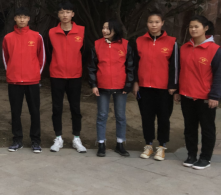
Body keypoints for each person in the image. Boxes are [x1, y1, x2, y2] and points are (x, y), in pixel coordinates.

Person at [176, 16, 221, 170]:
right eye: (191, 27)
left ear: (205, 28)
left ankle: (205, 158)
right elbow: (180, 71)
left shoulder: (215, 50)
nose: (193, 29)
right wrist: (178, 91)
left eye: (196, 26)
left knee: (207, 129)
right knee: (189, 128)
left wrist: (214, 95)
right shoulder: (184, 48)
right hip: (186, 95)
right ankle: (191, 155)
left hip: (205, 97)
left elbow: (218, 75)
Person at [133, 11, 178, 162]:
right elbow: (135, 64)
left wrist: (173, 85)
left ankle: (162, 146)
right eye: (151, 22)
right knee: (147, 117)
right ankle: (148, 145)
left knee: (164, 118)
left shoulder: (172, 42)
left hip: (164, 89)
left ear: (162, 23)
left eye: (157, 22)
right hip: (144, 87)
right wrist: (135, 83)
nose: (154, 25)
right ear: (147, 23)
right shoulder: (139, 41)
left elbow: (175, 66)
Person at [88, 19, 134, 158]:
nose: (104, 31)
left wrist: (128, 84)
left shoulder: (125, 45)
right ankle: (101, 144)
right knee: (102, 115)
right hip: (102, 86)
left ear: (115, 30)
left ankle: (120, 143)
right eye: (103, 28)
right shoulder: (97, 44)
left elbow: (130, 67)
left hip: (121, 87)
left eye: (108, 28)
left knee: (120, 116)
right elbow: (92, 67)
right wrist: (93, 85)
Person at [2, 7, 46, 153]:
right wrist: (11, 73)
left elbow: (42, 57)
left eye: (25, 17)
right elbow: (5, 58)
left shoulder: (37, 36)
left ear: (29, 19)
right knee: (15, 112)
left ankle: (35, 141)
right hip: (14, 81)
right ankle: (17, 140)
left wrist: (35, 74)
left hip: (32, 81)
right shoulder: (8, 38)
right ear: (15, 18)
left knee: (34, 112)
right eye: (19, 17)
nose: (22, 19)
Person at [46, 0, 87, 154]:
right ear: (58, 14)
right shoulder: (51, 32)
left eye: (68, 12)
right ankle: (58, 138)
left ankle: (76, 138)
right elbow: (49, 53)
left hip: (75, 75)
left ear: (73, 14)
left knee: (75, 107)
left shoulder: (81, 31)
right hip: (57, 75)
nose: (65, 15)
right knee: (57, 108)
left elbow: (85, 53)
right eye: (62, 12)